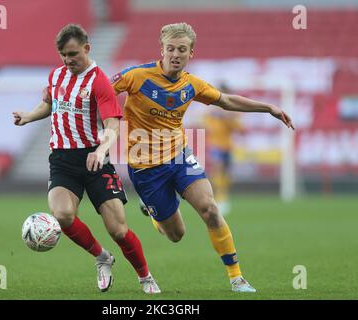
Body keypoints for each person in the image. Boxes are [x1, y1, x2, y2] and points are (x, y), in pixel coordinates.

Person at [111, 22, 294, 293]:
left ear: (191, 53)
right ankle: (154, 214)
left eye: (181, 50)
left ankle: (236, 277)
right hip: (145, 167)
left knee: (209, 208)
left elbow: (226, 101)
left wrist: (268, 107)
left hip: (179, 157)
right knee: (175, 235)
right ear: (161, 49)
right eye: (170, 48)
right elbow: (101, 91)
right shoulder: (136, 76)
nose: (175, 54)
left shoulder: (192, 84)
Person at [13, 24, 160, 294]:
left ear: (87, 48)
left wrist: (102, 150)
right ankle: (102, 257)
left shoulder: (99, 80)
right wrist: (28, 116)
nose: (68, 60)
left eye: (73, 54)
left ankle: (145, 276)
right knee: (63, 215)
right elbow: (49, 103)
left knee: (118, 230)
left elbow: (113, 124)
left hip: (94, 159)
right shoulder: (56, 76)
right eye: (63, 55)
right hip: (62, 160)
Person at [204, 84, 243, 216]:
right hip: (216, 145)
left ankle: (223, 198)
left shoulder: (231, 111)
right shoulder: (212, 110)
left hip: (228, 146)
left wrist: (228, 119)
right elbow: (207, 124)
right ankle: (215, 198)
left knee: (227, 174)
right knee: (218, 170)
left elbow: (240, 128)